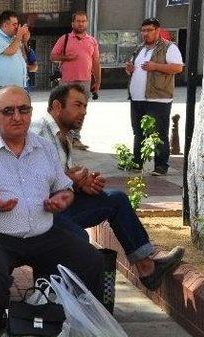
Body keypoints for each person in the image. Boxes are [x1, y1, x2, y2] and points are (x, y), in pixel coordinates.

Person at [0, 86, 105, 337]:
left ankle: (80, 336)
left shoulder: (44, 146)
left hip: (42, 233)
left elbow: (64, 187)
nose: (17, 117)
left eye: (23, 109)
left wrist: (63, 199)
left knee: (90, 261)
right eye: (8, 111)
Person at [32, 83, 185, 291]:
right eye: (77, 105)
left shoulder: (64, 134)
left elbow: (62, 180)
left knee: (116, 200)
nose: (83, 112)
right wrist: (72, 179)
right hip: (40, 212)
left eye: (85, 107)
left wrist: (82, 184)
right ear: (57, 106)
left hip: (60, 205)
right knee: (78, 238)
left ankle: (147, 268)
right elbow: (33, 181)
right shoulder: (39, 132)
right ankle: (70, 300)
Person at [126, 18, 184, 176]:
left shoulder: (169, 47)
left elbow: (178, 68)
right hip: (137, 98)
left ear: (157, 31)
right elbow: (134, 69)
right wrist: (130, 69)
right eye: (143, 30)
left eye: (149, 30)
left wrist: (155, 66)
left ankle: (161, 166)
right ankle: (137, 163)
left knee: (158, 133)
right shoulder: (139, 48)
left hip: (158, 98)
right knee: (138, 132)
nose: (145, 33)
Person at [50, 11, 100, 150]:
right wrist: (66, 58)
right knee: (64, 110)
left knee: (80, 111)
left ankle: (76, 139)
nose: (81, 23)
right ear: (73, 23)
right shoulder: (64, 38)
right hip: (67, 82)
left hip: (85, 82)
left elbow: (96, 62)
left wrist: (98, 81)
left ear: (87, 23)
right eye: (78, 21)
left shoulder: (92, 41)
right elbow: (53, 56)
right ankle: (61, 137)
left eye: (83, 21)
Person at [0, 10, 29, 90]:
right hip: (3, 89)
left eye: (17, 24)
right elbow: (10, 51)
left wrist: (24, 41)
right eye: (14, 25)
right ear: (5, 25)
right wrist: (19, 36)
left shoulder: (14, 39)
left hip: (18, 86)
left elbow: (24, 57)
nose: (17, 28)